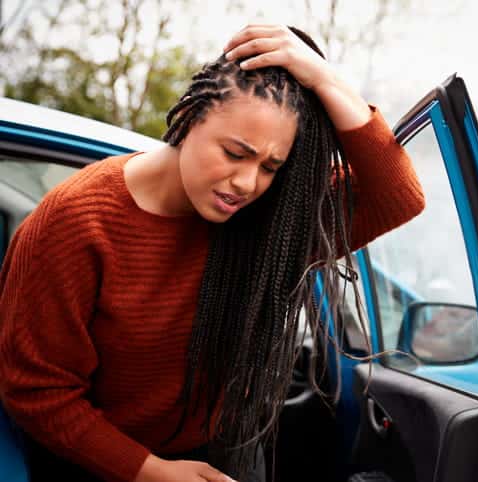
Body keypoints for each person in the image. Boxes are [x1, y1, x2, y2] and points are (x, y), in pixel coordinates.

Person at [0, 24, 425, 482]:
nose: (246, 182)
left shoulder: (265, 222)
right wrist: (153, 472)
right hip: (101, 462)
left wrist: (325, 79)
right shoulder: (76, 221)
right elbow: (38, 392)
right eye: (233, 152)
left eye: (269, 167)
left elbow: (398, 195)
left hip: (226, 451)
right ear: (189, 114)